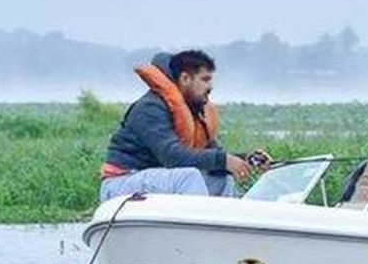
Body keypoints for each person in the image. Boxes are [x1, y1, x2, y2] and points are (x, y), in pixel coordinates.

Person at [100, 50, 270, 201]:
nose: (210, 87)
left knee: (221, 179)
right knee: (189, 177)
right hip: (121, 184)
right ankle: (197, 231)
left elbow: (212, 156)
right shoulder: (149, 109)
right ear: (184, 79)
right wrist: (222, 160)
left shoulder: (191, 113)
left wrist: (245, 159)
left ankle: (226, 230)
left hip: (159, 180)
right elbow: (172, 157)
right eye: (204, 80)